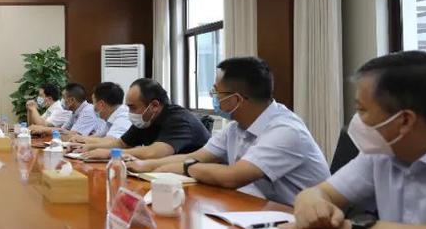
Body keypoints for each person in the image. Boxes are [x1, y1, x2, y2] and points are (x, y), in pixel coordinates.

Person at [286, 51, 426, 229]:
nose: (356, 120)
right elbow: (322, 192)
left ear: (404, 121)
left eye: (362, 110)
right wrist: (312, 203)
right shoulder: (380, 155)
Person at [127, 57, 329, 204]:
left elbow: (232, 176)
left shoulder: (285, 130)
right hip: (266, 211)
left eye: (216, 92)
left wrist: (188, 168)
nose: (213, 97)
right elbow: (194, 157)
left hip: (304, 221)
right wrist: (144, 165)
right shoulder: (235, 128)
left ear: (236, 99)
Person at [79, 78, 209, 160]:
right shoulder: (145, 120)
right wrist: (89, 147)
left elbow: (154, 153)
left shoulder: (178, 120)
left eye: (133, 107)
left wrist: (110, 153)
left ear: (154, 106)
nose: (130, 113)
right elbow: (121, 144)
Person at [30, 83, 98, 136]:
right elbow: (63, 130)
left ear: (72, 100)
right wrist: (43, 129)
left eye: (63, 97)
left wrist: (44, 130)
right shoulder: (74, 112)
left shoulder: (88, 112)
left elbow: (74, 135)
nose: (61, 100)